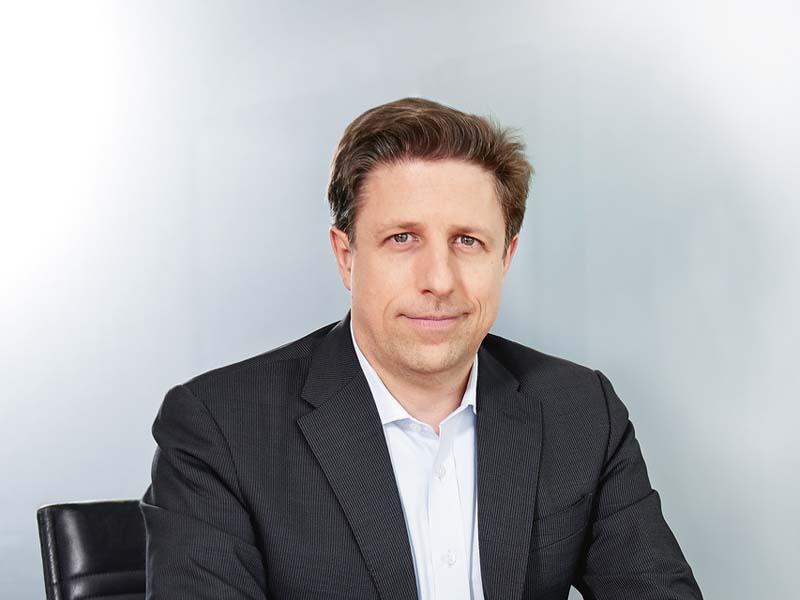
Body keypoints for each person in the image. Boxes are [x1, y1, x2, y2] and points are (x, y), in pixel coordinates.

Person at [140, 98, 703, 599]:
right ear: (346, 256)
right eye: (402, 238)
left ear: (505, 258)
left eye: (468, 241)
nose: (439, 280)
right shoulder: (222, 428)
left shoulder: (579, 410)